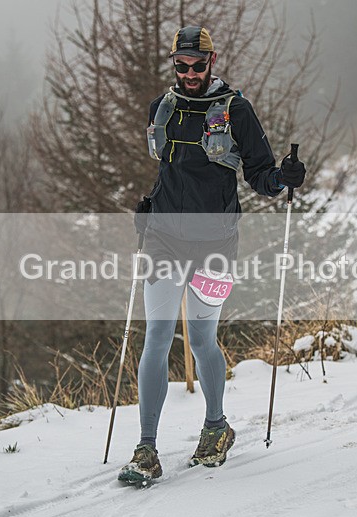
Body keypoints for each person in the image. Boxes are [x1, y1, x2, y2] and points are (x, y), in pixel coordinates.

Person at [117, 26, 306, 484]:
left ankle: (216, 427)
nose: (189, 73)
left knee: (202, 339)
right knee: (157, 337)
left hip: (216, 245)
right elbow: (170, 169)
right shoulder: (162, 108)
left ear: (212, 61)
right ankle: (146, 449)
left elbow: (259, 175)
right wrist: (150, 205)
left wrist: (283, 179)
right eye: (181, 65)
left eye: (197, 65)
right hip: (163, 237)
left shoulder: (236, 110)